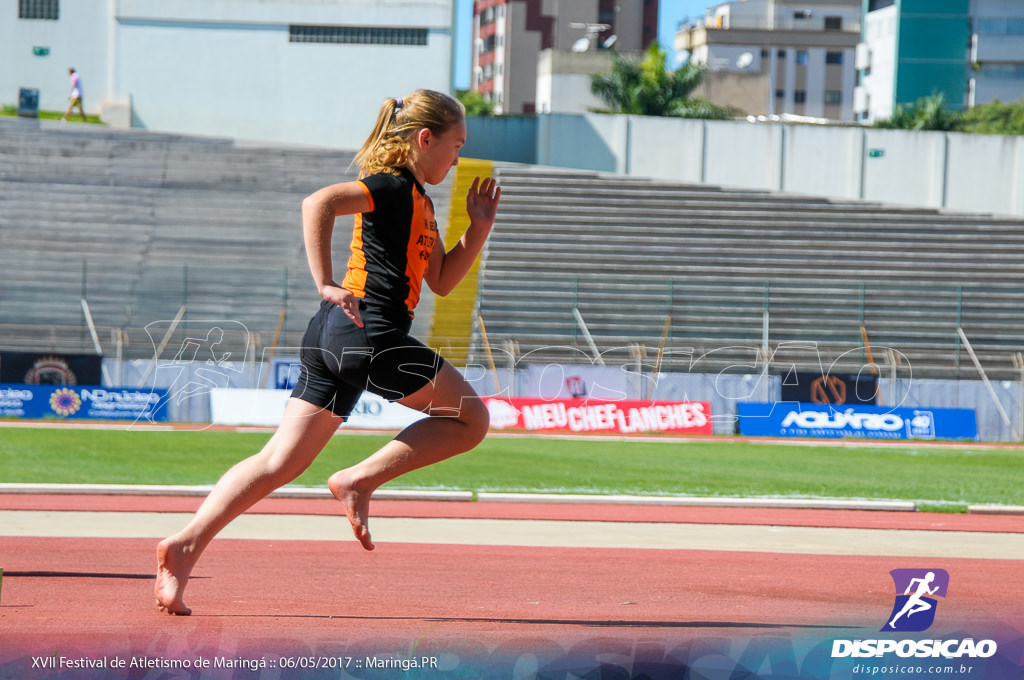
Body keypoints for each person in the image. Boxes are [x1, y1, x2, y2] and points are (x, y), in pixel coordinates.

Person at [155, 89, 501, 616]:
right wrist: (324, 281)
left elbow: (444, 281)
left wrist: (478, 229)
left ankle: (184, 545)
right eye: (456, 146)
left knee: (279, 460)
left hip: (333, 336)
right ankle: (357, 480)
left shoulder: (422, 206)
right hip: (370, 335)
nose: (457, 159)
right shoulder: (391, 186)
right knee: (471, 419)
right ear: (424, 139)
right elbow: (318, 202)